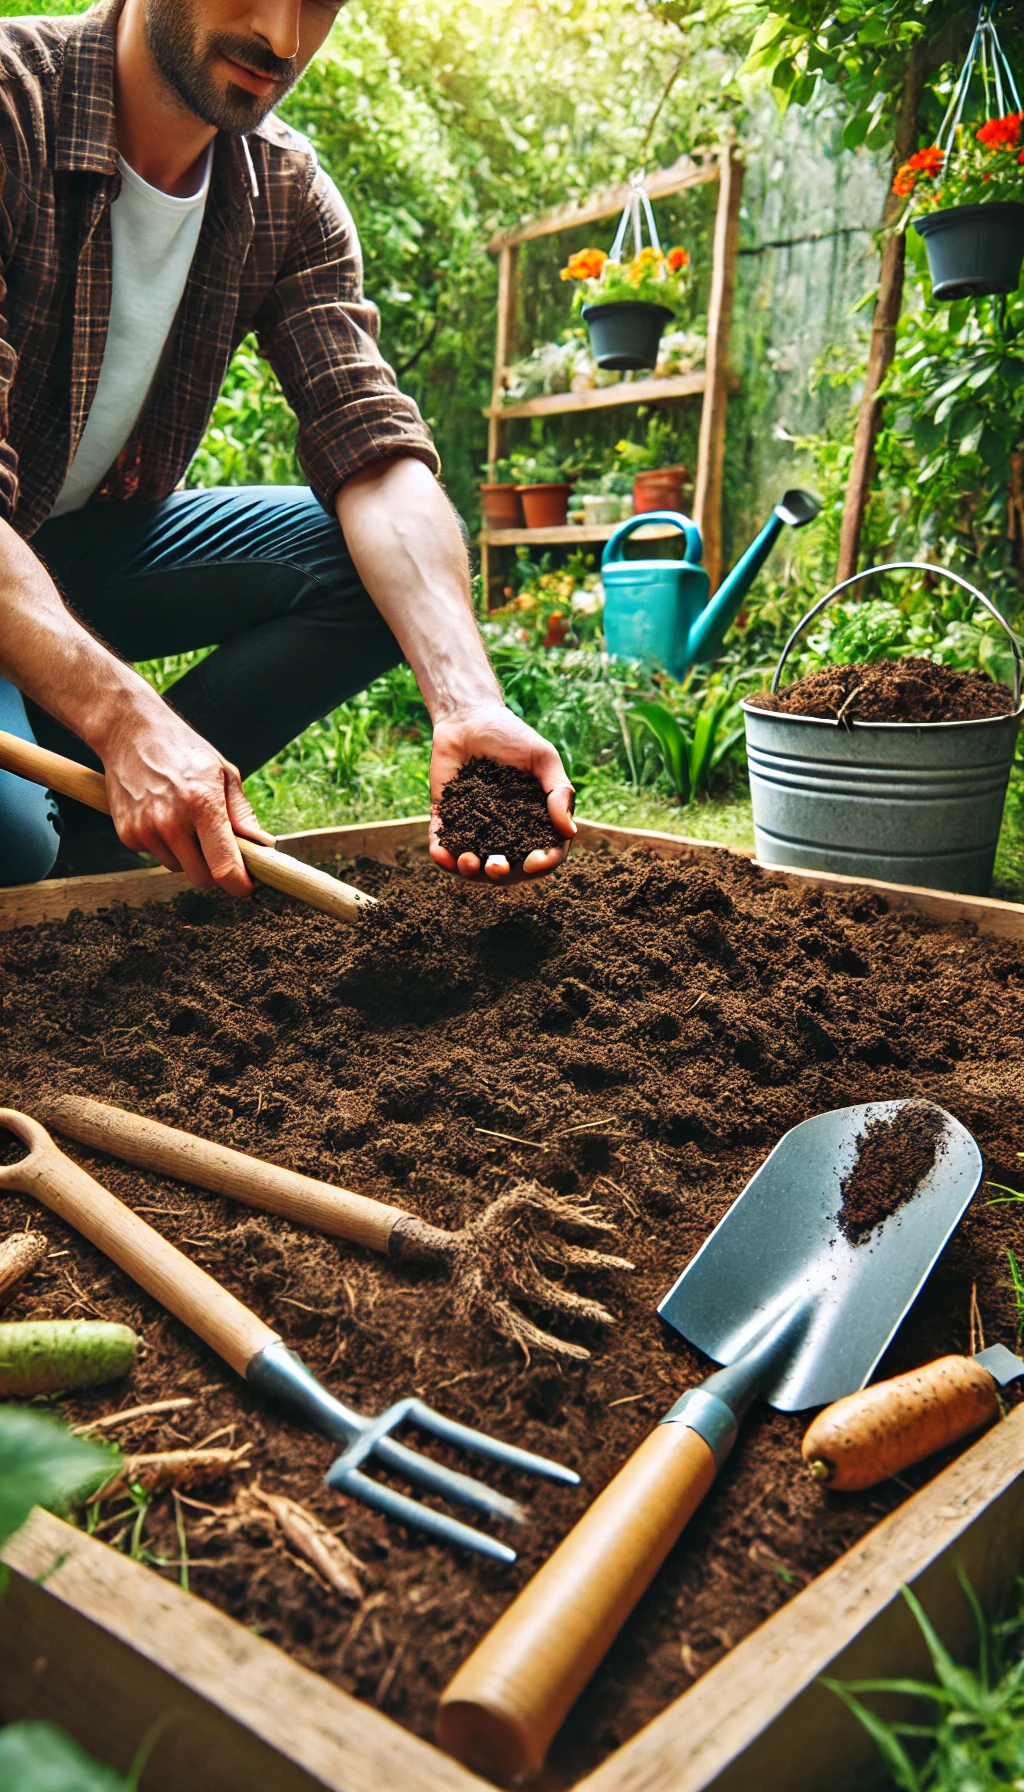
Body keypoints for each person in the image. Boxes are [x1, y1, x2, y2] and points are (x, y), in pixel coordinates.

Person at [0, 0, 575, 893]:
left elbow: (374, 454)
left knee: (368, 569)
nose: (282, 35)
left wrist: (468, 698)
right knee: (7, 844)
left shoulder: (284, 194)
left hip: (67, 555)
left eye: (318, 0)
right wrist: (124, 719)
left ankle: (100, 819)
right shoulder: (11, 107)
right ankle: (66, 799)